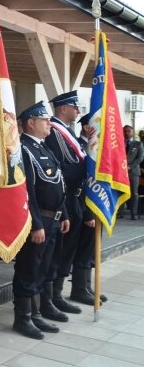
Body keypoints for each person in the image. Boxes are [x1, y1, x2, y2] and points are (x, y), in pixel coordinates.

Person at [11, 102, 70, 340]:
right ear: (31, 123)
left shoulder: (45, 149)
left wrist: (64, 213)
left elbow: (58, 184)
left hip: (53, 220)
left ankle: (36, 313)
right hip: (38, 221)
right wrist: (35, 224)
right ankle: (23, 318)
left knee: (43, 267)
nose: (49, 123)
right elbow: (28, 192)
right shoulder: (24, 150)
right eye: (44, 119)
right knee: (29, 268)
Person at [42, 91, 86, 318]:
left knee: (67, 251)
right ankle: (50, 299)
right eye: (75, 107)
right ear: (63, 109)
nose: (78, 111)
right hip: (64, 198)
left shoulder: (68, 132)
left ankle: (56, 294)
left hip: (72, 198)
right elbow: (67, 167)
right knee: (58, 251)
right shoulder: (56, 133)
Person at [73, 114, 106, 305]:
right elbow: (84, 183)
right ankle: (79, 289)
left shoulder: (94, 147)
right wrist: (89, 212)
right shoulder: (80, 146)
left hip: (96, 207)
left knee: (92, 250)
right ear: (87, 128)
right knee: (84, 250)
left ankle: (86, 287)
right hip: (86, 208)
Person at [123, 125, 144, 220]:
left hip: (134, 172)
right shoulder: (119, 143)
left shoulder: (138, 144)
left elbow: (140, 158)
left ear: (133, 132)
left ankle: (134, 213)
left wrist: (130, 166)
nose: (127, 132)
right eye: (125, 131)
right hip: (121, 171)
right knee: (121, 191)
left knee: (134, 193)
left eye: (129, 131)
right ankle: (120, 212)